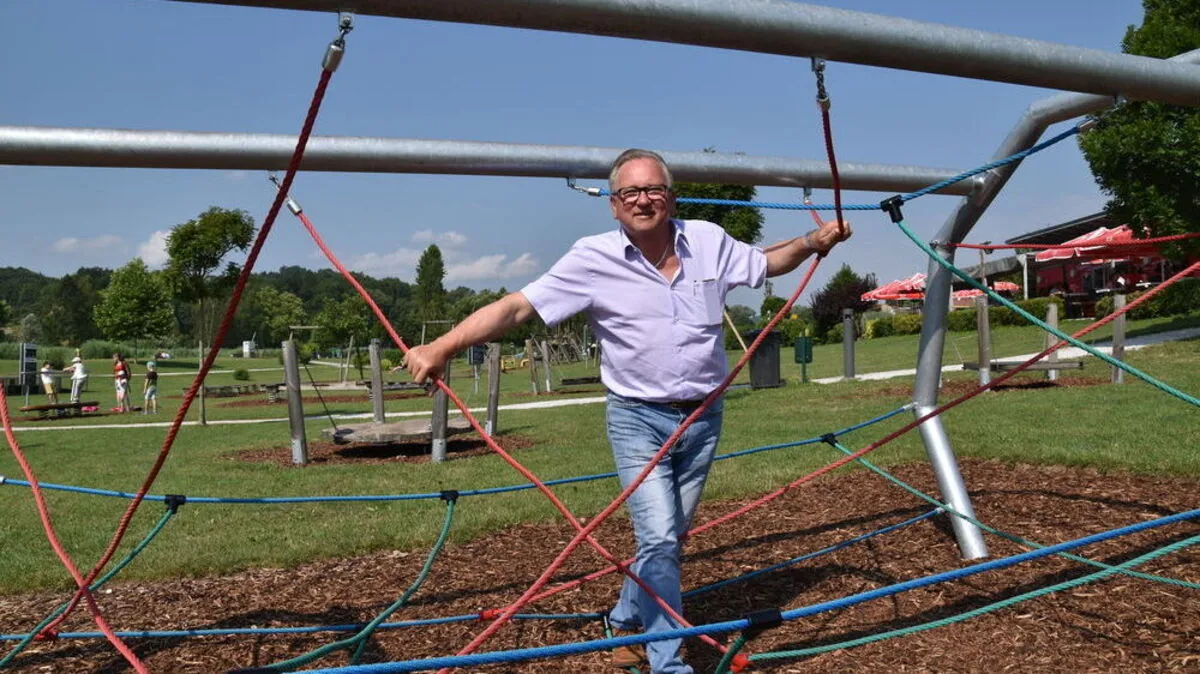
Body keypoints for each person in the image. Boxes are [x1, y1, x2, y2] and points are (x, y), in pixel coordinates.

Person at [402, 148, 851, 673]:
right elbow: (518, 307)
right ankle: (669, 662)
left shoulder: (708, 241)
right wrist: (443, 347)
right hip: (638, 419)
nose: (643, 200)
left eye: (654, 189)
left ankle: (624, 619)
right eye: (630, 192)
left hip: (703, 417)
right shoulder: (593, 259)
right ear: (614, 205)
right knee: (658, 538)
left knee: (669, 540)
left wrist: (812, 242)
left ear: (672, 198)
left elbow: (766, 262)